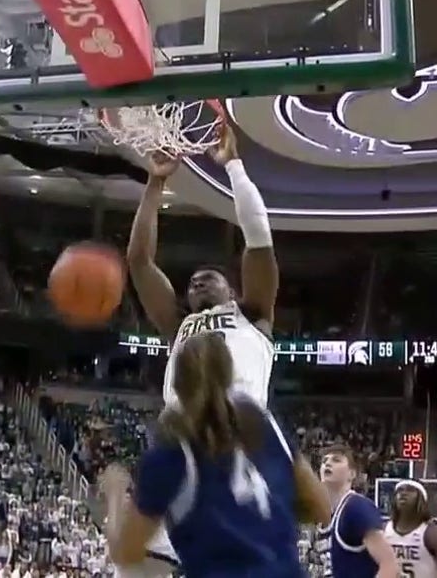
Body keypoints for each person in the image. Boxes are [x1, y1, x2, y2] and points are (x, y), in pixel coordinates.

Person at [125, 120, 278, 575]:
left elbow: (259, 239)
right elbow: (138, 261)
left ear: (231, 290)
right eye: (191, 282)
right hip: (178, 446)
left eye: (209, 277)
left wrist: (234, 166)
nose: (196, 281)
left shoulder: (252, 315)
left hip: (237, 446)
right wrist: (155, 183)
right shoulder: (179, 325)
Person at [99, 332, 329, 578]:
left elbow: (126, 554)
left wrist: (115, 493)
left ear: (174, 384)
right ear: (230, 375)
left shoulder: (170, 451)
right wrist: (266, 516)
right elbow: (321, 508)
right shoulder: (261, 423)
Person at [317, 446, 399, 578]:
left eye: (336, 460)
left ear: (352, 474)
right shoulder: (326, 514)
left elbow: (390, 565)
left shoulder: (356, 507)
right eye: (324, 461)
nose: (327, 463)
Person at [382, 481, 437, 578]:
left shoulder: (434, 535)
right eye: (399, 490)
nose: (403, 493)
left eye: (410, 490)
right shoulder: (382, 531)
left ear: (421, 499)